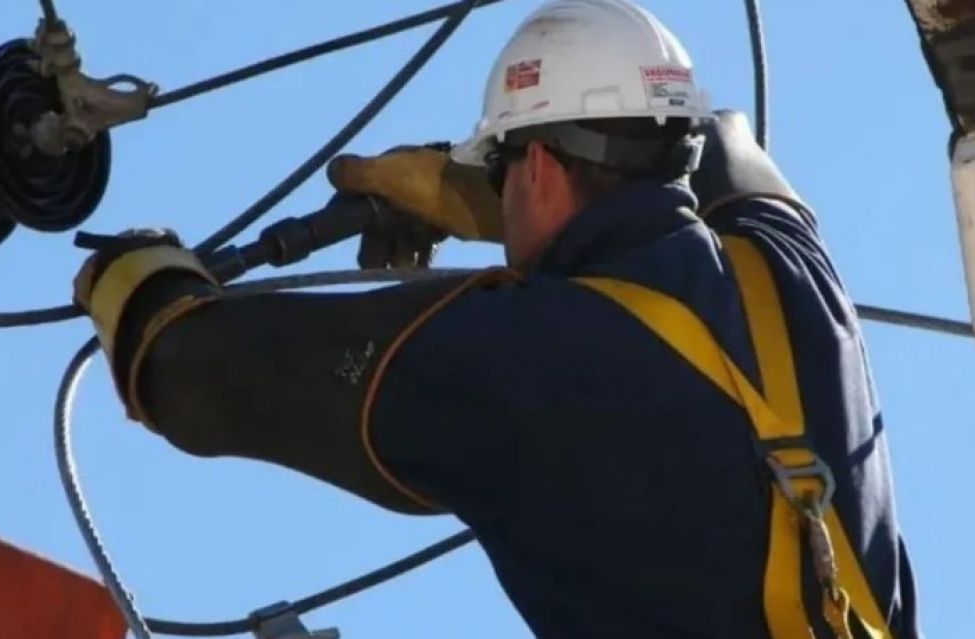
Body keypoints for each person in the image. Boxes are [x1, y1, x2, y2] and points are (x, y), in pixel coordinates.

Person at [71, 1, 920, 636]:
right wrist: (477, 196)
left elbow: (186, 368)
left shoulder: (520, 356)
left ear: (540, 165)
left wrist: (134, 273)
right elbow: (726, 144)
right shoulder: (788, 269)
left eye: (504, 169)